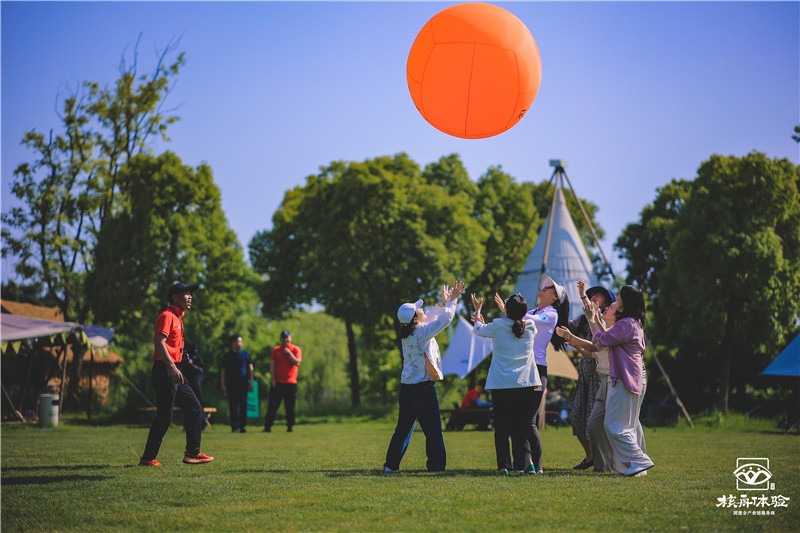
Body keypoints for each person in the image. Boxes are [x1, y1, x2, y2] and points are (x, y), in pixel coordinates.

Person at [384, 281, 465, 473]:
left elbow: (430, 317)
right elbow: (444, 320)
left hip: (407, 387)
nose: (422, 310)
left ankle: (390, 465)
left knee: (403, 428)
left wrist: (442, 303)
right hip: (422, 388)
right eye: (419, 310)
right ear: (415, 319)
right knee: (433, 428)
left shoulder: (409, 332)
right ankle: (436, 466)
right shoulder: (421, 332)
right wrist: (453, 301)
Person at [495, 275, 569, 473]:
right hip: (523, 368)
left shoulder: (550, 314)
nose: (542, 288)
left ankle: (537, 464)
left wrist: (509, 310)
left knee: (528, 420)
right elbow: (519, 318)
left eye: (548, 288)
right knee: (518, 420)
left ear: (555, 297)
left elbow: (526, 319)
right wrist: (510, 312)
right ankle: (522, 463)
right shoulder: (533, 311)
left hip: (537, 368)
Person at [139, 282, 213, 466]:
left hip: (174, 369)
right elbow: (160, 342)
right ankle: (147, 458)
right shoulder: (167, 316)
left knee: (195, 408)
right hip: (165, 369)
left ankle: (192, 453)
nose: (190, 297)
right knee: (165, 417)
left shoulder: (178, 318)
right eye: (186, 293)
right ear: (174, 297)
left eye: (190, 294)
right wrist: (172, 367)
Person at [471, 293, 542, 476]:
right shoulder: (531, 326)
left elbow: (478, 329)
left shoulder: (497, 325)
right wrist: (508, 312)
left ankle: (504, 466)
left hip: (502, 384)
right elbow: (517, 323)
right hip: (526, 383)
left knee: (502, 428)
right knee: (522, 427)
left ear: (507, 311)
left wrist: (478, 312)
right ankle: (528, 463)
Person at [591, 284, 653, 477]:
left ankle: (639, 459)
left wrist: (593, 320)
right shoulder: (633, 323)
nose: (616, 299)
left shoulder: (626, 324)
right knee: (627, 426)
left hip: (626, 378)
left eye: (620, 297)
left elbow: (602, 340)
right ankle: (634, 465)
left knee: (613, 425)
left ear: (626, 302)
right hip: (633, 377)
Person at [566, 280, 616, 470]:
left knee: (595, 420)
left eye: (598, 295)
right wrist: (558, 305)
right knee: (576, 414)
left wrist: (582, 295)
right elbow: (568, 326)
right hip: (585, 373)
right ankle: (591, 456)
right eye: (591, 294)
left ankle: (603, 458)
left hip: (600, 374)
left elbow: (596, 347)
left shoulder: (607, 321)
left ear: (607, 301)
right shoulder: (584, 318)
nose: (594, 297)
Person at [263, 330, 302, 433]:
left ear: (290, 338)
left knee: (290, 407)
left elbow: (297, 362)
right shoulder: (276, 350)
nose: (285, 340)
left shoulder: (295, 349)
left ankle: (290, 426)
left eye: (287, 337)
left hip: (291, 383)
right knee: (272, 406)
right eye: (283, 338)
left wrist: (289, 354)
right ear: (280, 339)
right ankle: (267, 427)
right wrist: (273, 379)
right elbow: (272, 365)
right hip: (278, 382)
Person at [220, 334, 254, 433]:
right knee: (233, 406)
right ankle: (234, 426)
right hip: (231, 384)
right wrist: (223, 384)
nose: (240, 343)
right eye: (239, 341)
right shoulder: (227, 356)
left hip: (243, 384)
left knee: (243, 406)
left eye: (241, 341)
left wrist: (251, 382)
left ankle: (242, 426)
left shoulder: (245, 355)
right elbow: (223, 371)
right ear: (233, 343)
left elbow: (251, 368)